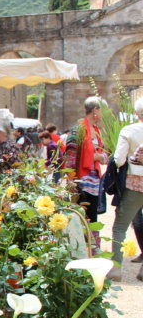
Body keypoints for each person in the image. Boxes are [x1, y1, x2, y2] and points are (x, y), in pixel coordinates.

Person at [63, 96, 108, 251]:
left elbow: (101, 153)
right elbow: (70, 157)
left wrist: (100, 156)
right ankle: (84, 251)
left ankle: (93, 251)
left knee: (93, 217)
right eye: (103, 110)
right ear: (95, 110)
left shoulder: (96, 130)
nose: (104, 114)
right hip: (81, 182)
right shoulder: (78, 130)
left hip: (94, 182)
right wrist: (71, 181)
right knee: (81, 219)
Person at [109, 96, 143, 279]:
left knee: (120, 226)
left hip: (135, 185)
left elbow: (118, 159)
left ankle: (115, 269)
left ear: (136, 113)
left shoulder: (129, 130)